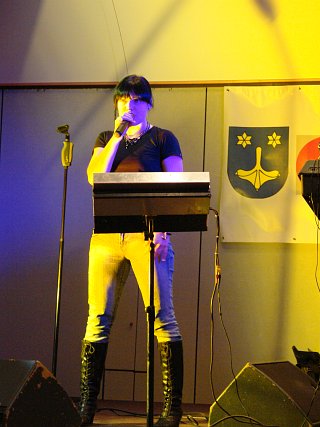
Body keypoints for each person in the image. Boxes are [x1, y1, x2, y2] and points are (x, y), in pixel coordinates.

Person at [79, 75, 184, 427]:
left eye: (137, 99)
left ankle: (171, 411)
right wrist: (116, 137)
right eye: (124, 98)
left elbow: (175, 189)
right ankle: (86, 409)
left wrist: (164, 232)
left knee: (163, 318)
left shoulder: (163, 138)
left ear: (149, 104)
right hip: (106, 238)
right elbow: (94, 177)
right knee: (97, 317)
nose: (130, 104)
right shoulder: (106, 138)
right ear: (116, 104)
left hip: (147, 236)